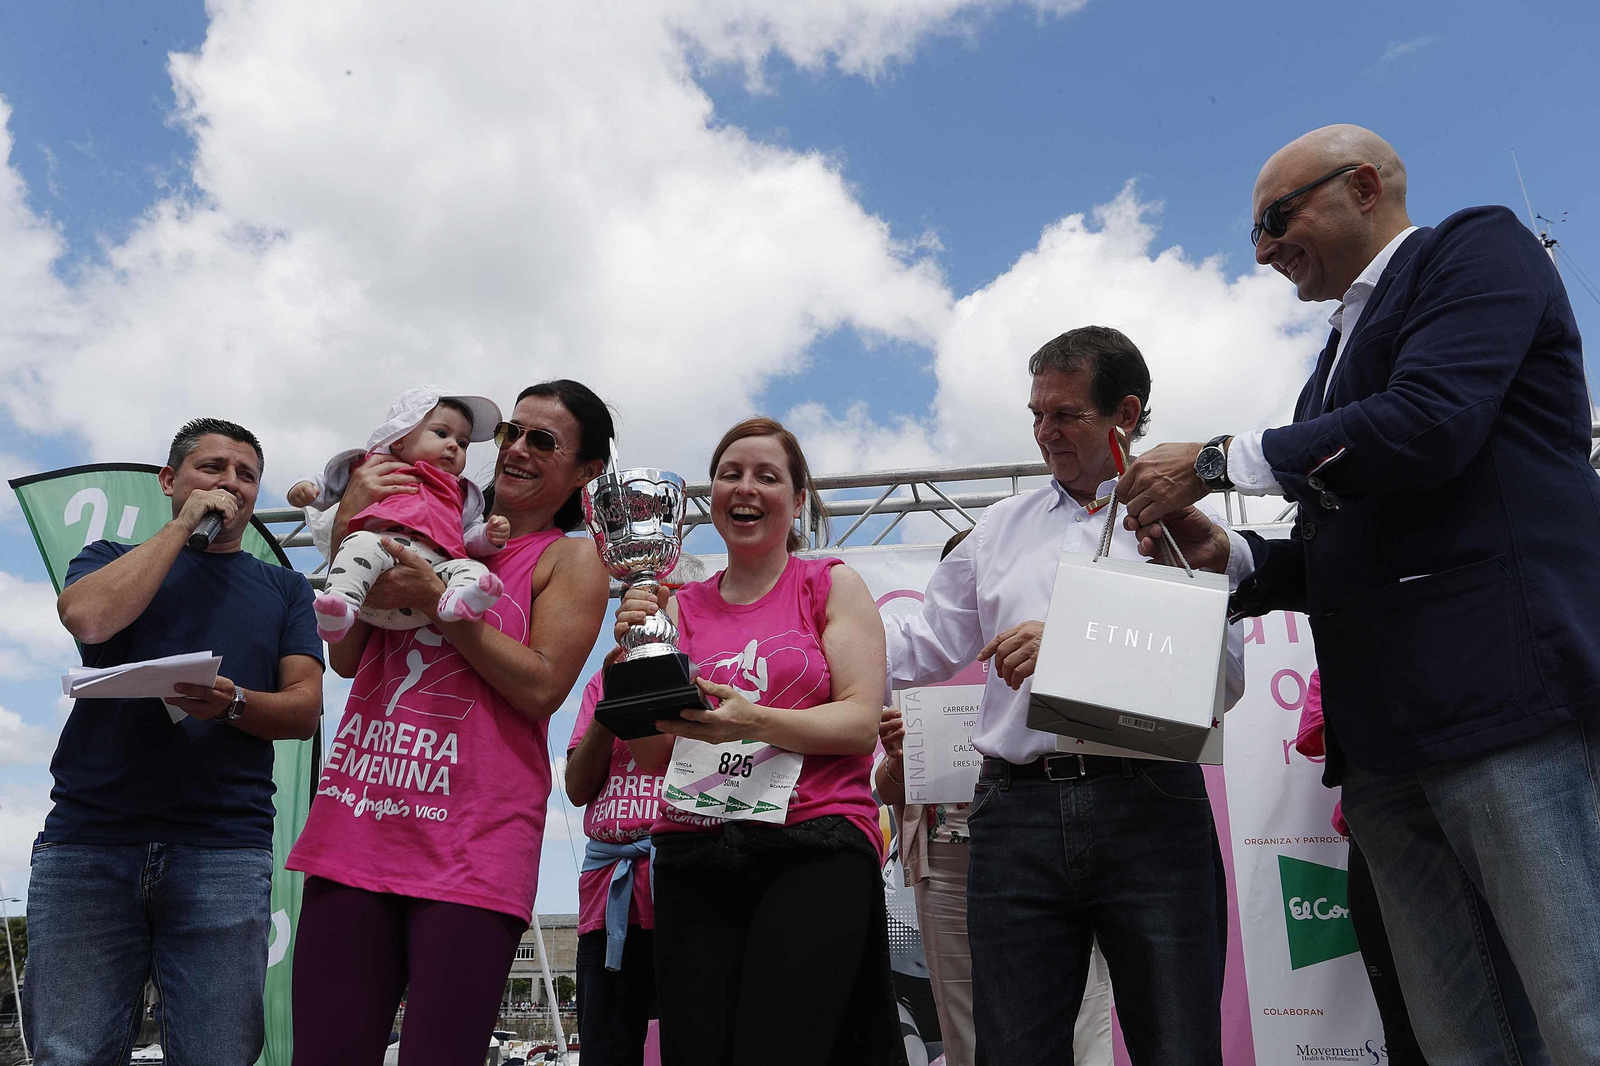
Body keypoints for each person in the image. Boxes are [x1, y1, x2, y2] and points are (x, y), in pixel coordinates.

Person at [1116, 124, 1600, 1064]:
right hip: (1386, 751)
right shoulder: (1324, 377)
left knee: (1580, 1011)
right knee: (1464, 1041)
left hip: (1508, 709)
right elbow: (1347, 544)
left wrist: (1218, 460)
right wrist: (1240, 562)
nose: (1261, 251)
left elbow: (1430, 424)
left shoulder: (1475, 250)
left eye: (1273, 218)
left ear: (1364, 186)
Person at [885, 326, 1248, 1066]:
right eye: (1036, 415)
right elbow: (922, 645)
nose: (1046, 433)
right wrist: (807, 615)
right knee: (1013, 1052)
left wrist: (1075, 644)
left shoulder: (1178, 525)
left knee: (1179, 1047)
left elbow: (1226, 680)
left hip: (1150, 802)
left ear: (1125, 412)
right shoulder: (998, 529)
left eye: (1065, 415)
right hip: (1015, 815)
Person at [285, 380, 614, 1066]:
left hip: (474, 847)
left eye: (543, 440)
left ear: (586, 473)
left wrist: (437, 601)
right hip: (357, 825)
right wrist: (354, 517)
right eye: (511, 434)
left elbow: (543, 688)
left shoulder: (570, 558)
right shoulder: (428, 518)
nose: (517, 450)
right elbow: (344, 659)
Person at [26, 418, 324, 1066]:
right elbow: (90, 617)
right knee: (69, 1052)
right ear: (170, 481)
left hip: (222, 847)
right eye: (213, 468)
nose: (232, 484)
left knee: (220, 1054)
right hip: (89, 840)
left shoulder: (283, 587)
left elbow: (304, 709)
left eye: (247, 474)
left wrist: (235, 703)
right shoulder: (108, 557)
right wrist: (181, 529)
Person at [617, 417, 905, 1066]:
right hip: (694, 849)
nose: (746, 488)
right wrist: (633, 672)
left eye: (767, 476)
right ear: (710, 495)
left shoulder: (830, 585)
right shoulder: (675, 605)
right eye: (730, 473)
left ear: (798, 501)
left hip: (814, 844)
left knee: (782, 1046)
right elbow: (652, 755)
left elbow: (860, 723)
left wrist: (753, 720)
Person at [875, 530, 1113, 1066]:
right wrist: (898, 758)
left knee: (1080, 1013)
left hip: (1052, 840)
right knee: (965, 1024)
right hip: (949, 863)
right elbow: (884, 789)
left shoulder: (1057, 647)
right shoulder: (915, 671)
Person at [289, 386, 511, 641]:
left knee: (473, 568)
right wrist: (305, 487)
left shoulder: (462, 492)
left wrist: (489, 535)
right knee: (359, 542)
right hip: (377, 569)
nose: (453, 446)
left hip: (431, 586)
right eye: (441, 433)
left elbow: (469, 534)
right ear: (399, 438)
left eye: (463, 443)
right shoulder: (374, 467)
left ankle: (458, 599)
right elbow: (327, 482)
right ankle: (340, 605)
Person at [1294, 671, 1428, 1066]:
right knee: (1400, 1017)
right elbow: (1316, 737)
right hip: (1377, 841)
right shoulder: (1340, 658)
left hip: (1468, 822)